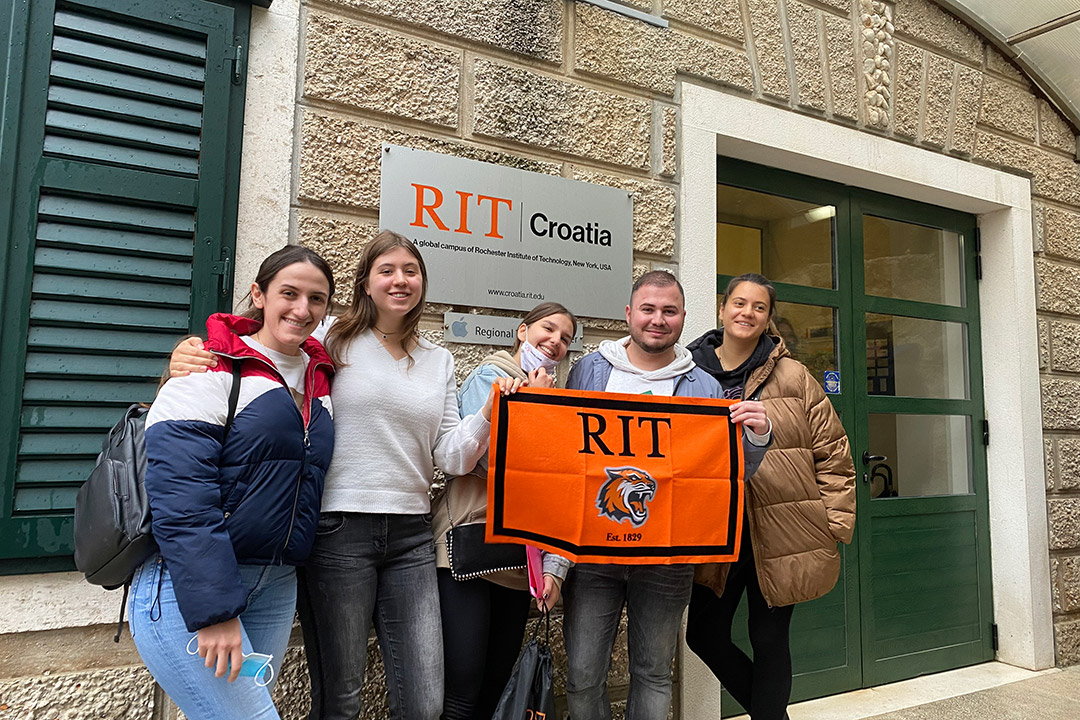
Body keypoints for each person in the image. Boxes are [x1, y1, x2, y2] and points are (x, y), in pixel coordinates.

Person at [169, 230, 516, 720]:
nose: (400, 280)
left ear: (423, 283)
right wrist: (191, 356)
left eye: (411, 271)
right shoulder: (328, 334)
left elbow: (452, 458)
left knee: (424, 702)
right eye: (387, 270)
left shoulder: (439, 360)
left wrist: (488, 413)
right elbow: (257, 344)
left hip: (411, 536)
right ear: (366, 283)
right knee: (342, 699)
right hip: (337, 532)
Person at [130, 245, 336, 720]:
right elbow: (181, 494)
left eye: (317, 299)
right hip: (190, 588)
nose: (302, 309)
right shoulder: (212, 366)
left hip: (275, 585)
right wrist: (215, 609)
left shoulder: (323, 378)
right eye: (289, 293)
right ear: (258, 294)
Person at [561, 270, 772, 720]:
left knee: (654, 674)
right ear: (629, 315)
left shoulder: (703, 386)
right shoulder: (591, 370)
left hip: (667, 560)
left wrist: (756, 438)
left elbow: (723, 476)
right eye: (648, 309)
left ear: (682, 317)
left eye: (669, 311)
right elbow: (565, 461)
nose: (658, 320)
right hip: (594, 557)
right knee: (581, 676)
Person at [684, 272, 856, 720]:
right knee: (703, 635)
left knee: (769, 637)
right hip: (717, 531)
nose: (747, 313)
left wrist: (834, 523)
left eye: (759, 307)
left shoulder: (794, 376)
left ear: (767, 319)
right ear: (723, 309)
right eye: (739, 303)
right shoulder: (689, 372)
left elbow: (833, 452)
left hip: (785, 528)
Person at [432, 301, 577, 720]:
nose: (555, 342)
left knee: (497, 683)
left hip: (518, 559)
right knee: (462, 689)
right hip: (469, 546)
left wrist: (555, 567)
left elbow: (559, 489)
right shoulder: (490, 376)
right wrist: (537, 411)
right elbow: (486, 463)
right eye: (548, 330)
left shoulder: (555, 396)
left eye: (566, 338)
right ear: (521, 330)